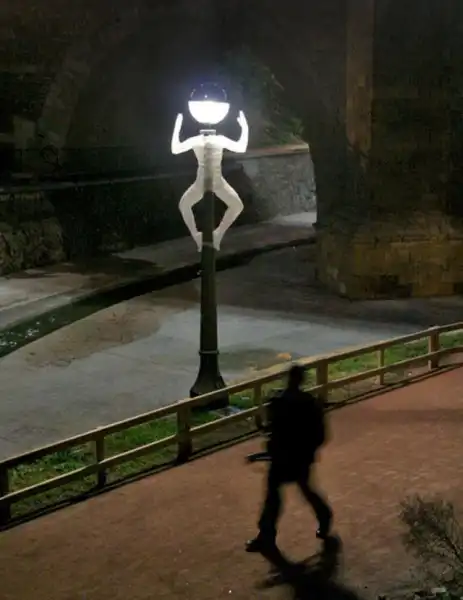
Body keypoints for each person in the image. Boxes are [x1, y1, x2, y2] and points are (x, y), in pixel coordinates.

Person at [246, 364, 333, 554]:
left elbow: (270, 429)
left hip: (284, 457)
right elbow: (320, 436)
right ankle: (324, 517)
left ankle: (266, 535)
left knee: (275, 497)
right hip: (297, 458)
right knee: (302, 490)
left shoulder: (278, 401)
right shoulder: (310, 403)